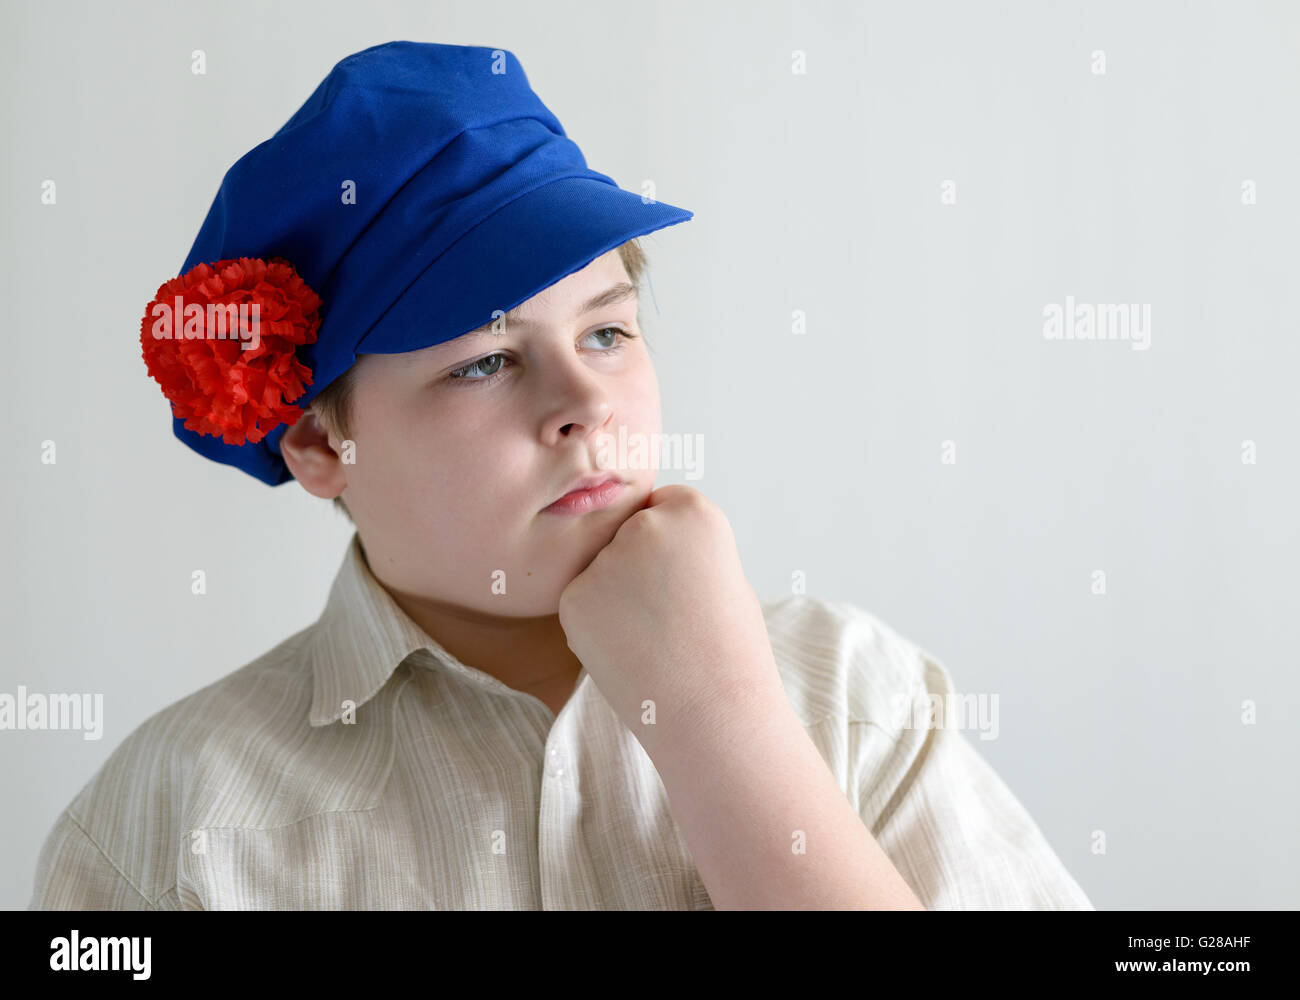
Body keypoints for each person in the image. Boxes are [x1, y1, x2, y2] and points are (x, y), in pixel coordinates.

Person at [29, 40, 1093, 910]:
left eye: (609, 333)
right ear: (316, 441)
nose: (582, 404)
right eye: (486, 361)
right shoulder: (176, 821)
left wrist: (721, 724)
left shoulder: (855, 694)